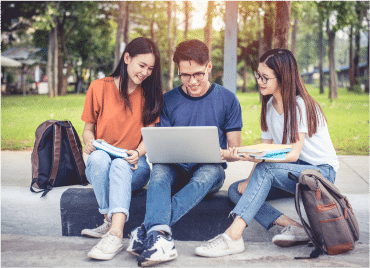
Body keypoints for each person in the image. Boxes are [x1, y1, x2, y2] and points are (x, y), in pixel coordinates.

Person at [194, 48, 339, 257]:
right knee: (237, 190)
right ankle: (294, 227)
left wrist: (246, 155)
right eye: (258, 75)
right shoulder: (270, 106)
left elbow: (292, 155)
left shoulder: (300, 105)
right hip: (293, 173)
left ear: (283, 78)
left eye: (265, 77)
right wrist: (242, 163)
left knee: (266, 170)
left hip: (320, 174)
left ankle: (233, 237)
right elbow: (265, 152)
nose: (259, 81)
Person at [127, 39, 243, 267]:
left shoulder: (227, 99)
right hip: (176, 168)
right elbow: (163, 144)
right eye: (185, 75)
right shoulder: (168, 100)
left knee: (206, 175)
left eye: (198, 74)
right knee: (159, 171)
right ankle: (159, 238)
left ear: (209, 66)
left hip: (210, 169)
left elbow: (234, 151)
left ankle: (149, 231)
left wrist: (221, 152)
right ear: (178, 71)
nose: (192, 81)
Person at [80, 37, 164, 261]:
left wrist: (138, 152)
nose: (145, 72)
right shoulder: (98, 87)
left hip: (134, 166)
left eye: (150, 68)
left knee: (119, 164)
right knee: (98, 158)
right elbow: (88, 129)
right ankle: (110, 221)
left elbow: (149, 136)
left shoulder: (149, 95)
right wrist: (89, 141)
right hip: (101, 164)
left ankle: (114, 233)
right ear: (127, 58)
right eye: (141, 65)